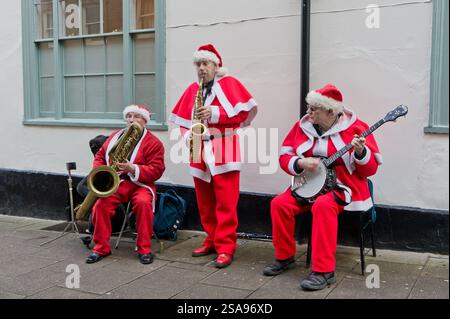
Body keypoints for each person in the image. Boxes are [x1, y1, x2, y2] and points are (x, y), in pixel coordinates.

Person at [263, 84, 382, 291]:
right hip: (308, 185)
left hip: (343, 188)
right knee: (279, 204)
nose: (308, 113)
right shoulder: (302, 127)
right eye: (309, 107)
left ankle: (324, 271)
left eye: (313, 109)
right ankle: (285, 257)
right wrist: (300, 163)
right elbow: (284, 156)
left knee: (323, 206)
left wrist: (361, 153)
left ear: (329, 111)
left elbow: (370, 170)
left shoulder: (356, 128)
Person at [170, 44, 258, 268]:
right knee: (204, 200)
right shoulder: (193, 89)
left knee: (226, 201)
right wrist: (188, 136)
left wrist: (215, 113)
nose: (201, 68)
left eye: (205, 63)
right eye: (198, 64)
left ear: (215, 65)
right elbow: (181, 121)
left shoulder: (230, 84)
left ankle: (226, 246)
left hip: (224, 146)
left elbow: (244, 114)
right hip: (199, 146)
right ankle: (211, 238)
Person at [86, 104, 165, 265]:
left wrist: (133, 168)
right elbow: (100, 155)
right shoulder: (115, 136)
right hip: (117, 182)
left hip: (140, 184)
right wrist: (100, 171)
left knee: (143, 204)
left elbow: (157, 170)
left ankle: (144, 249)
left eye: (136, 116)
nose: (131, 120)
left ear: (145, 120)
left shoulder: (154, 143)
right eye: (128, 116)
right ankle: (101, 248)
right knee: (100, 205)